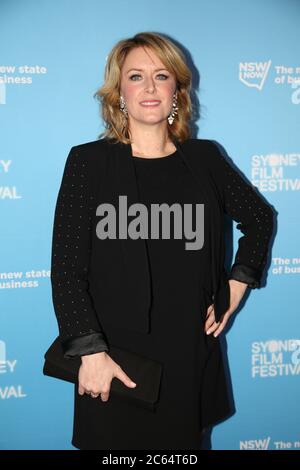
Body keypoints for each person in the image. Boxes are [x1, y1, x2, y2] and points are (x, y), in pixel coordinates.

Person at [50, 32, 276, 450]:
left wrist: (236, 284)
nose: (150, 87)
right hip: (113, 359)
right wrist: (89, 352)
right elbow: (66, 269)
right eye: (136, 76)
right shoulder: (88, 162)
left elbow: (260, 219)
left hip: (188, 358)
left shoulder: (205, 159)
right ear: (119, 92)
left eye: (161, 75)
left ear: (177, 90)